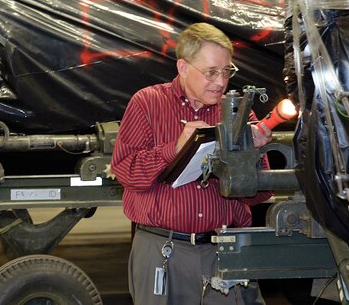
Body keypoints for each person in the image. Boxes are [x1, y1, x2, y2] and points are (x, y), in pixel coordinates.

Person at [111, 22, 273, 304]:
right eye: (211, 72)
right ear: (183, 68)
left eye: (226, 71)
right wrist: (174, 149)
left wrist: (251, 157)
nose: (221, 82)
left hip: (224, 250)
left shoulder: (238, 113)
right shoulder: (148, 103)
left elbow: (261, 193)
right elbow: (126, 171)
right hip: (163, 250)